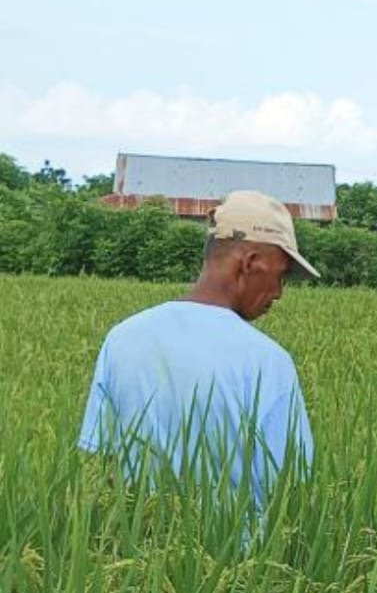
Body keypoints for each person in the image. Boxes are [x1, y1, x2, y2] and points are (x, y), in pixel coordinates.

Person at [79, 189, 318, 518]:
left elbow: (107, 467)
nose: (278, 293)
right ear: (249, 263)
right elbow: (290, 490)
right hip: (236, 549)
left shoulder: (122, 339)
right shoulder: (268, 362)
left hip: (134, 543)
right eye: (280, 276)